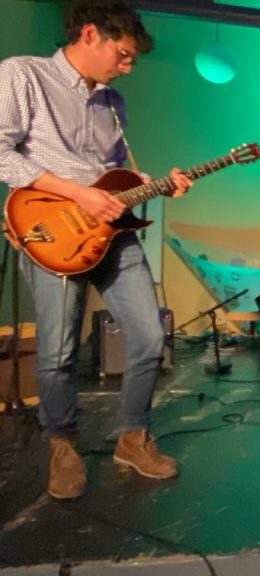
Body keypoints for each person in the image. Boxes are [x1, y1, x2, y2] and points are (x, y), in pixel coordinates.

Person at [0, 0, 192, 499]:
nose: (128, 67)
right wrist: (77, 193)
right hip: (54, 232)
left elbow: (113, 176)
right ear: (90, 34)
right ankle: (62, 444)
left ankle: (133, 437)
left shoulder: (113, 103)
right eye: (123, 55)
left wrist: (156, 184)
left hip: (113, 235)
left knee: (150, 336)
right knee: (58, 351)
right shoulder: (24, 74)